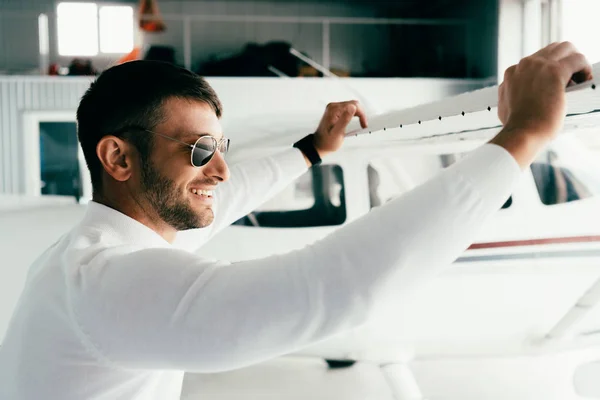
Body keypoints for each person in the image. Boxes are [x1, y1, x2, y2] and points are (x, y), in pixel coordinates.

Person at [0, 42, 592, 399]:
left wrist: (310, 151)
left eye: (222, 146)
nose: (222, 170)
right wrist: (521, 136)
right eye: (200, 150)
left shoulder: (100, 239)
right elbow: (329, 286)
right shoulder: (107, 282)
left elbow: (221, 202)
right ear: (118, 157)